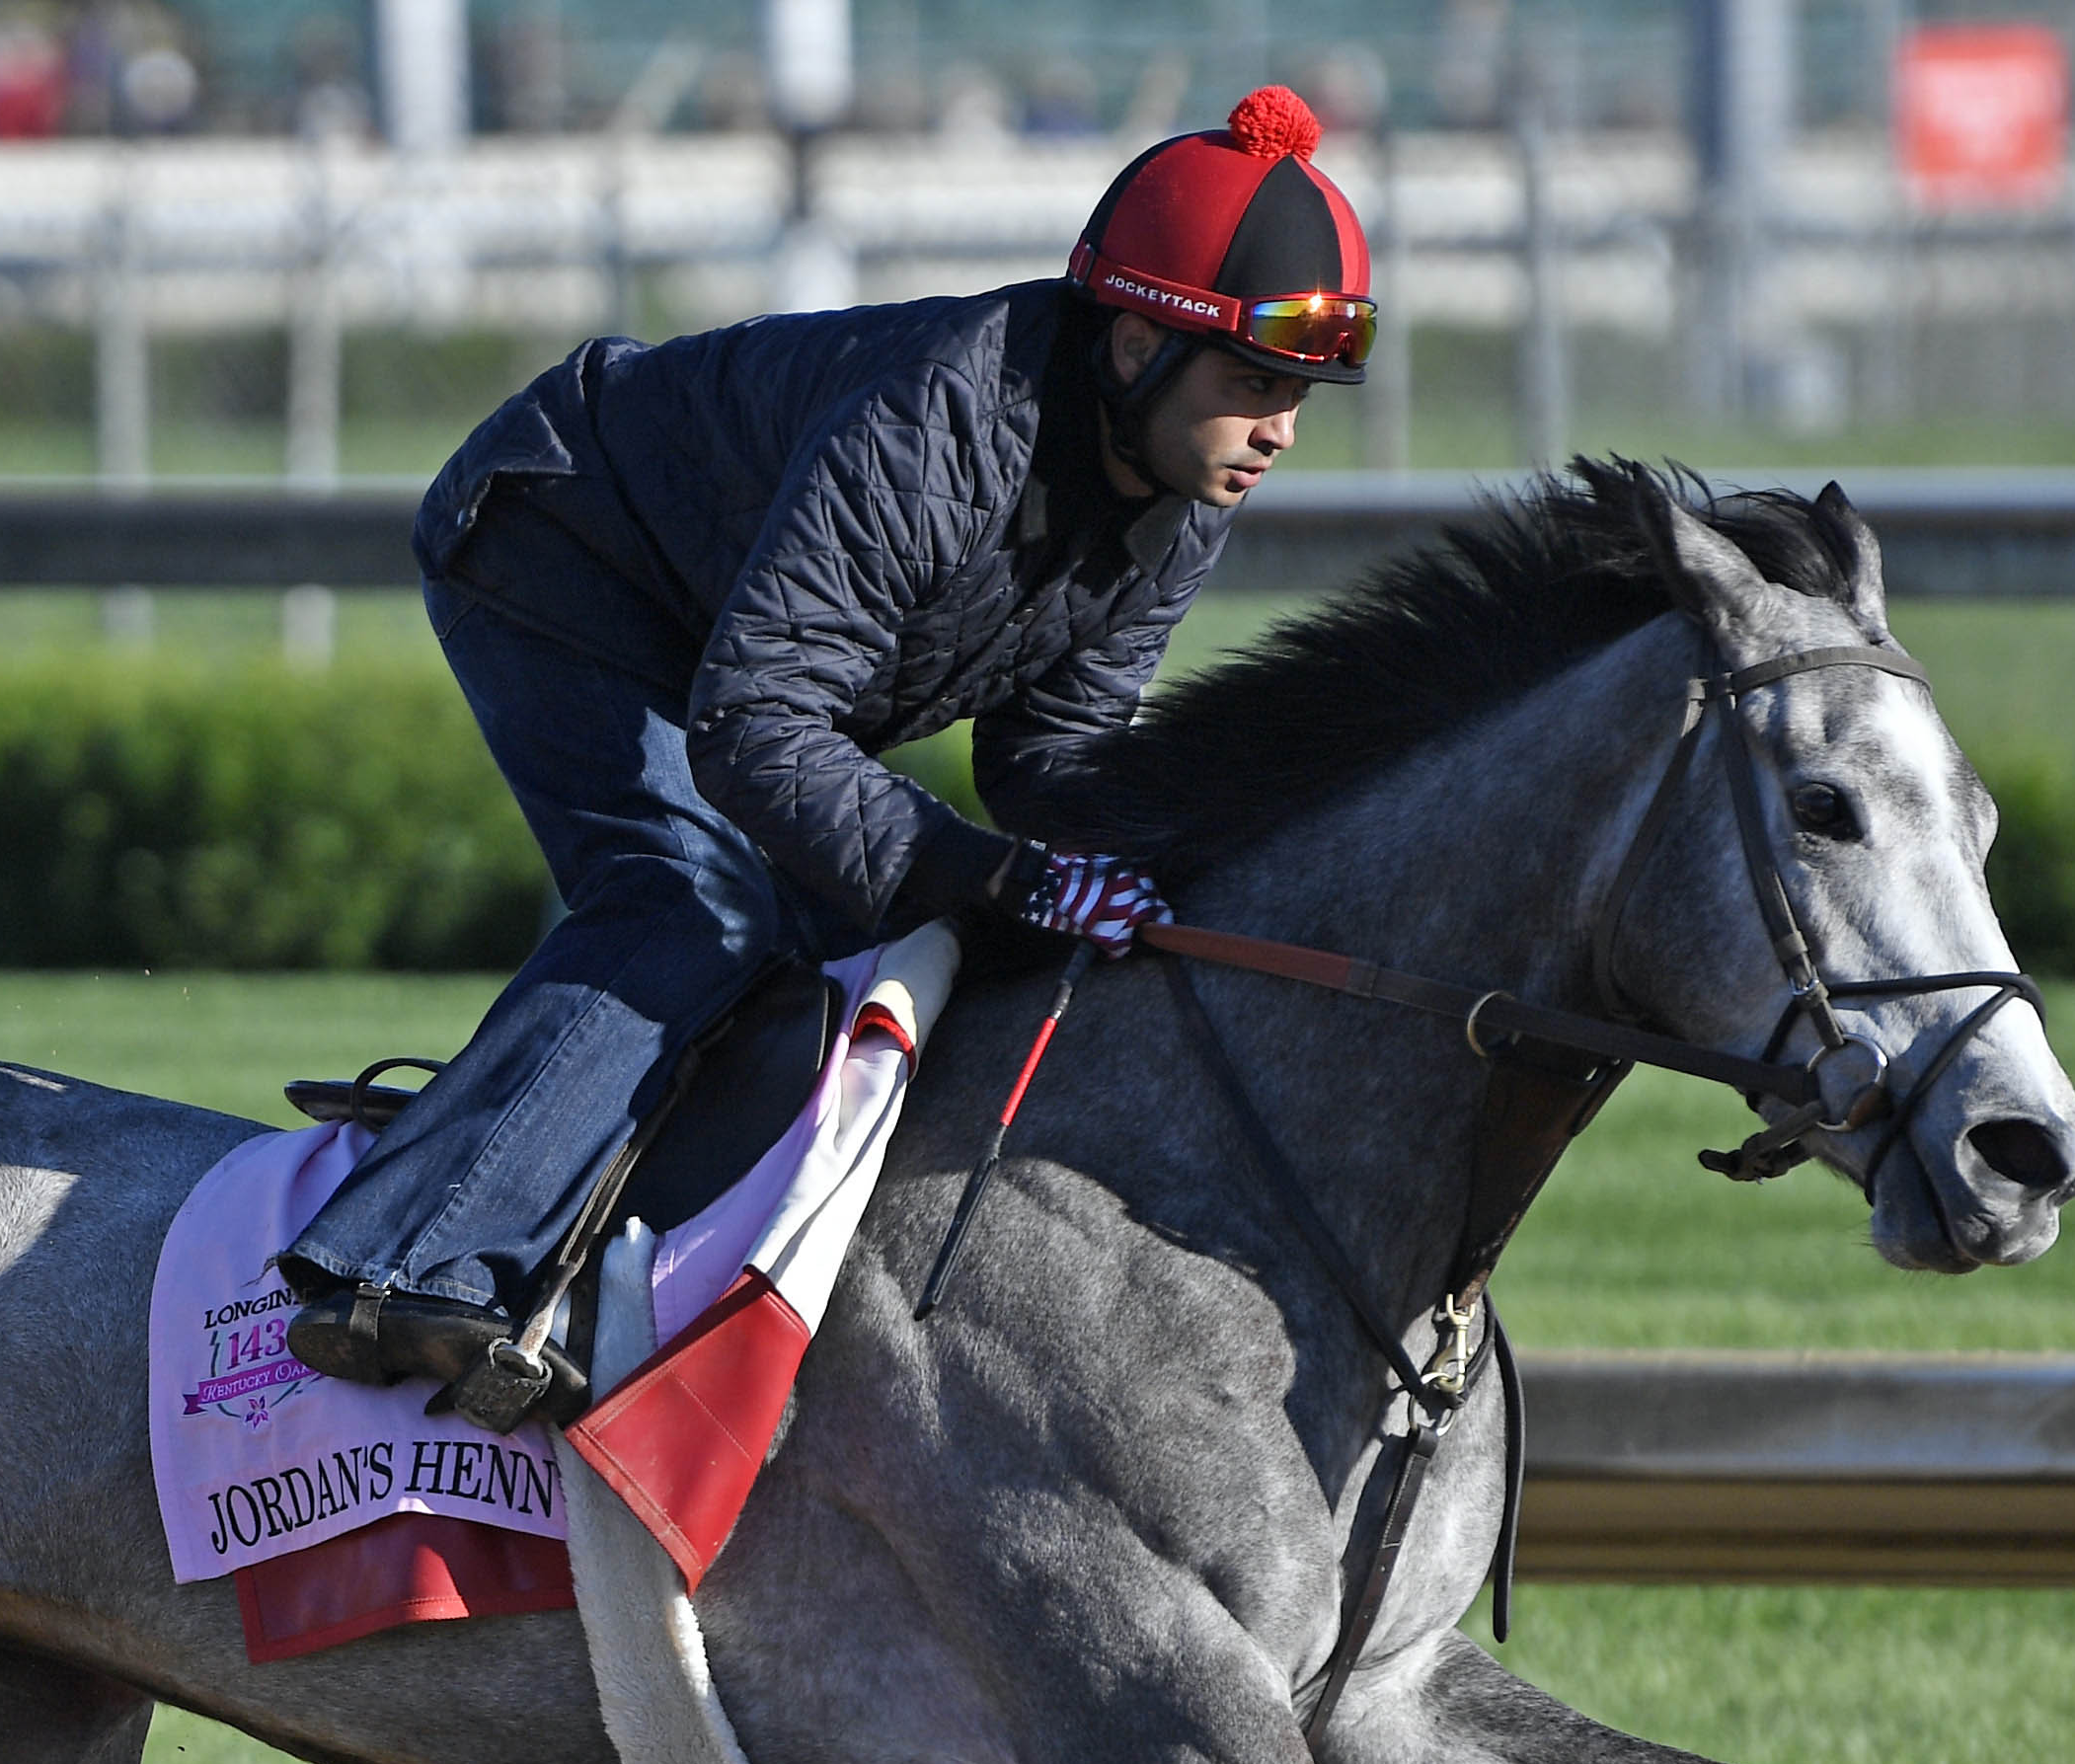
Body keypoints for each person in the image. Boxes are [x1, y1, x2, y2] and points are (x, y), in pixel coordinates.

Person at [280, 84, 1375, 1428]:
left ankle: (647, 1252)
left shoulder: (1180, 493)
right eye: (1253, 385)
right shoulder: (934, 428)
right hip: (555, 547)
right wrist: (997, 874)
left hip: (732, 648)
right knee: (694, 904)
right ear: (1138, 341)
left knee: (863, 938)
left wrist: (1158, 866)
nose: (1278, 430)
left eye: (1300, 397)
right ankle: (404, 1268)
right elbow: (753, 730)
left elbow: (1056, 750)